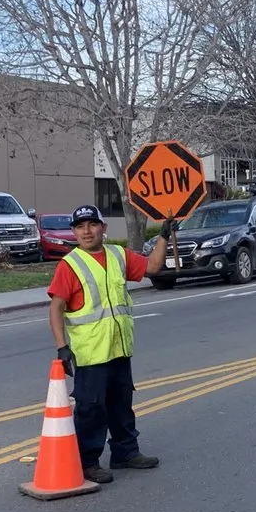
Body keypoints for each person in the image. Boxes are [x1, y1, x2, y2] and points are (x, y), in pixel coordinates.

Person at [47, 205, 176, 484]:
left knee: (121, 403)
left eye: (92, 225)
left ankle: (125, 452)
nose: (86, 231)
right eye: (80, 226)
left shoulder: (118, 256)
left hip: (119, 347)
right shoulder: (70, 265)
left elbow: (152, 267)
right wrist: (62, 346)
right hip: (91, 353)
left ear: (103, 229)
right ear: (74, 232)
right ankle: (88, 462)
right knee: (91, 409)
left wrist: (164, 236)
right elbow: (56, 308)